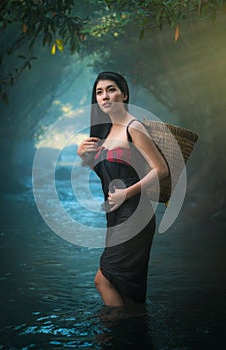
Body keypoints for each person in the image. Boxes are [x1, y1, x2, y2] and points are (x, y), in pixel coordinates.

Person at [77, 72, 168, 307]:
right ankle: (132, 331)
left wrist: (126, 193)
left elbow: (161, 169)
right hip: (116, 215)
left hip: (136, 213)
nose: (105, 96)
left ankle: (115, 331)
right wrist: (83, 156)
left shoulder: (133, 126)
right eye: (99, 92)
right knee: (123, 286)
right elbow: (107, 175)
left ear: (124, 94)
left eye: (111, 89)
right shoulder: (105, 132)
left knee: (102, 280)